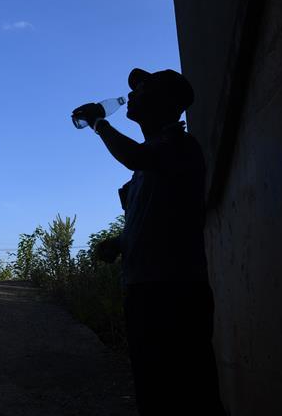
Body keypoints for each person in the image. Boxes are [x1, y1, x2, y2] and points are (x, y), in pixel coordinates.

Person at [72, 68, 227, 415]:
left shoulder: (179, 147)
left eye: (145, 87)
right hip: (147, 290)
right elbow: (159, 222)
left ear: (166, 103)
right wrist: (121, 241)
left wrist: (100, 124)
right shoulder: (149, 165)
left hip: (174, 293)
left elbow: (136, 156)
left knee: (190, 393)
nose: (134, 93)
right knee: (156, 392)